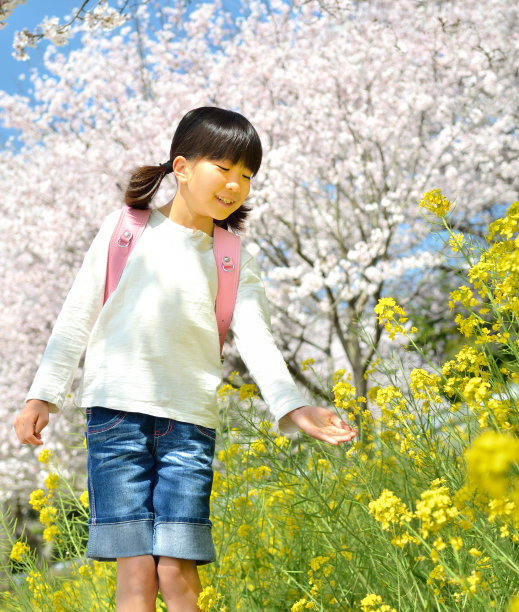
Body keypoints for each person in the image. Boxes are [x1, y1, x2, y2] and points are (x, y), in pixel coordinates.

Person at [14, 107, 357, 611]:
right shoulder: (126, 230)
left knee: (177, 571)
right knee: (135, 575)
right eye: (225, 168)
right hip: (115, 416)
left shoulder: (231, 255)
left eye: (247, 176)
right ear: (181, 167)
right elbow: (75, 315)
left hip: (189, 426)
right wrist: (42, 394)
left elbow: (257, 339)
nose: (236, 184)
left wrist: (293, 406)